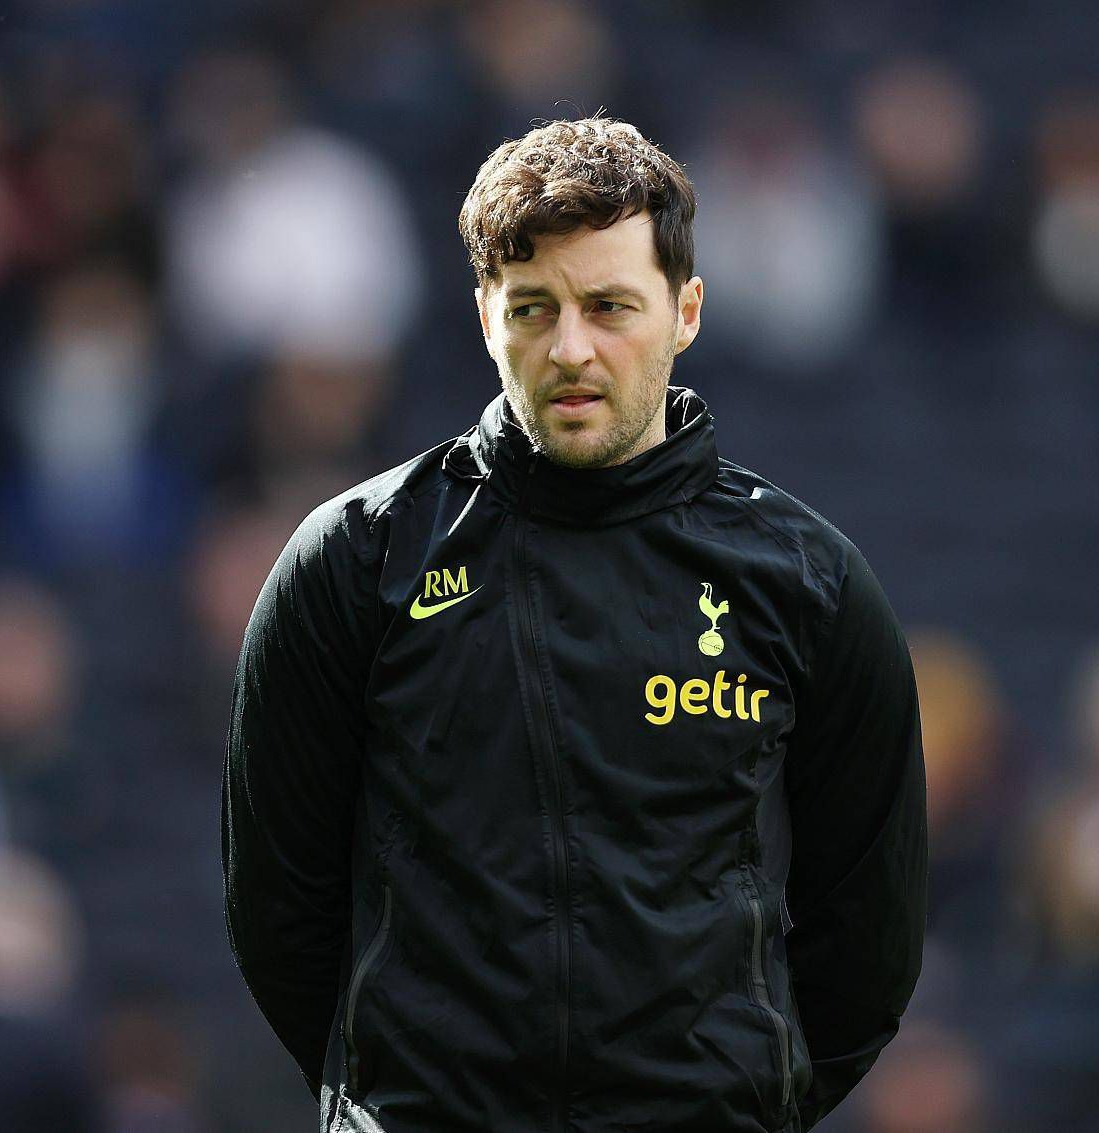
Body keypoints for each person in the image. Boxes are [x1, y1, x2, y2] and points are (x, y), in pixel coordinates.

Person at [222, 116, 927, 1133]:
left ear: (684, 312)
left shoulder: (806, 582)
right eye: (532, 308)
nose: (569, 347)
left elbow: (868, 935)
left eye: (609, 306)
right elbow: (275, 912)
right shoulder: (354, 562)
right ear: (481, 313)